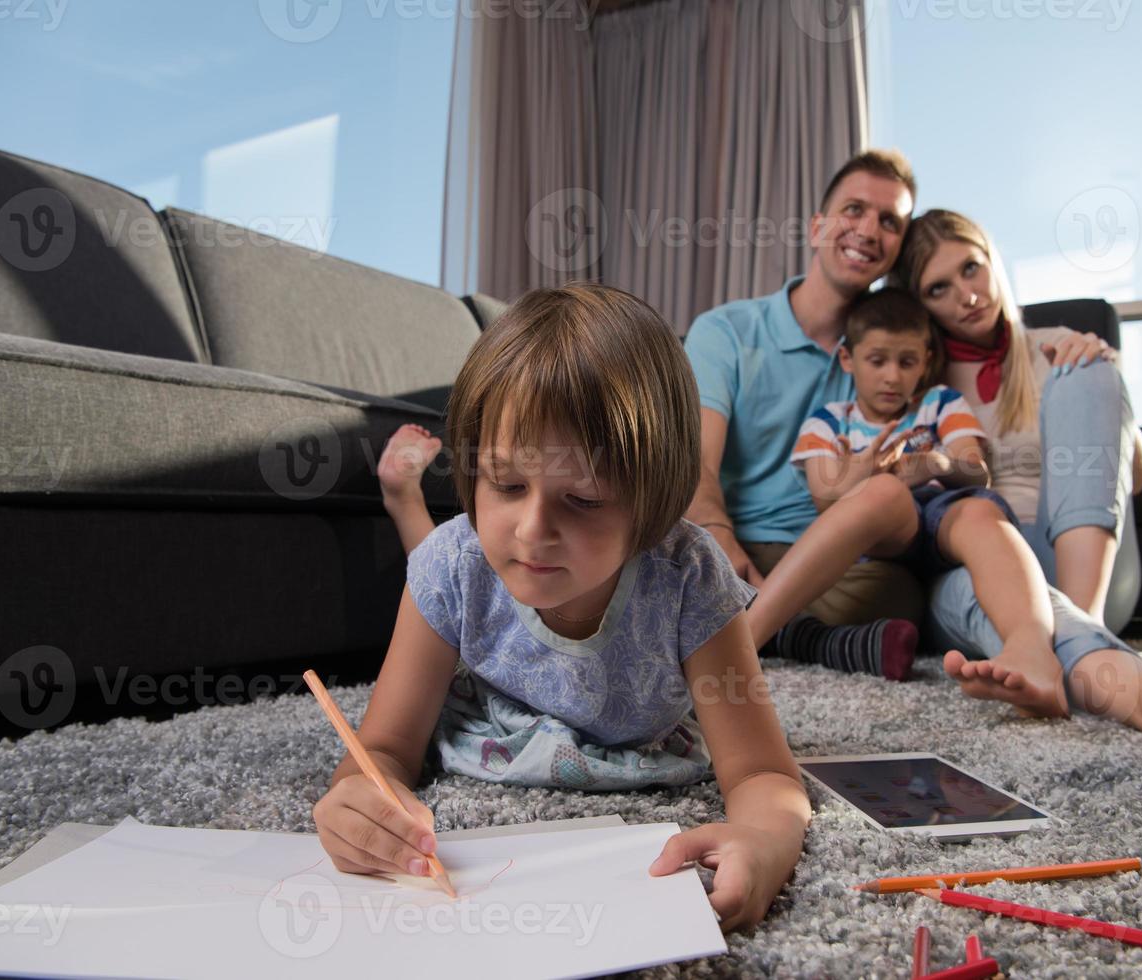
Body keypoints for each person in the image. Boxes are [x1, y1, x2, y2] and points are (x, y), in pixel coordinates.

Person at [316, 283, 809, 930]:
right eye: (507, 484)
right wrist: (355, 796)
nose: (531, 530)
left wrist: (766, 840)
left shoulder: (688, 574)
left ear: (653, 500)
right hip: (488, 729)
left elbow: (763, 773)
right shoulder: (447, 564)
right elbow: (380, 749)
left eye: (583, 498)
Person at [892, 209, 1142, 777]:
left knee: (1091, 372)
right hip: (984, 565)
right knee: (971, 573)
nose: (967, 296)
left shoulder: (1057, 347)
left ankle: (1078, 623)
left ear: (992, 260)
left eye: (971, 269)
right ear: (919, 304)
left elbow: (1137, 476)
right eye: (939, 288)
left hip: (1079, 556)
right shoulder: (914, 380)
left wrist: (1110, 389)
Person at [682, 149, 924, 676]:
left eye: (889, 222)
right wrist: (720, 539)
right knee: (664, 563)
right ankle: (811, 638)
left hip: (833, 563)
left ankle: (765, 626)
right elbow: (695, 460)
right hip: (734, 545)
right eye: (853, 210)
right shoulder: (726, 331)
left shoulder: (888, 357)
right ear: (817, 228)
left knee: (903, 591)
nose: (867, 230)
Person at [743, 288, 1059, 690]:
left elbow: (977, 474)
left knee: (980, 511)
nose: (892, 376)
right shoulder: (828, 421)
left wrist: (933, 463)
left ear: (925, 362)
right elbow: (825, 498)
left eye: (907, 362)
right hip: (885, 533)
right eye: (877, 361)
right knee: (883, 493)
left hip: (940, 512)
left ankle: (1032, 654)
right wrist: (864, 471)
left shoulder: (939, 402)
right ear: (848, 359)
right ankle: (743, 641)